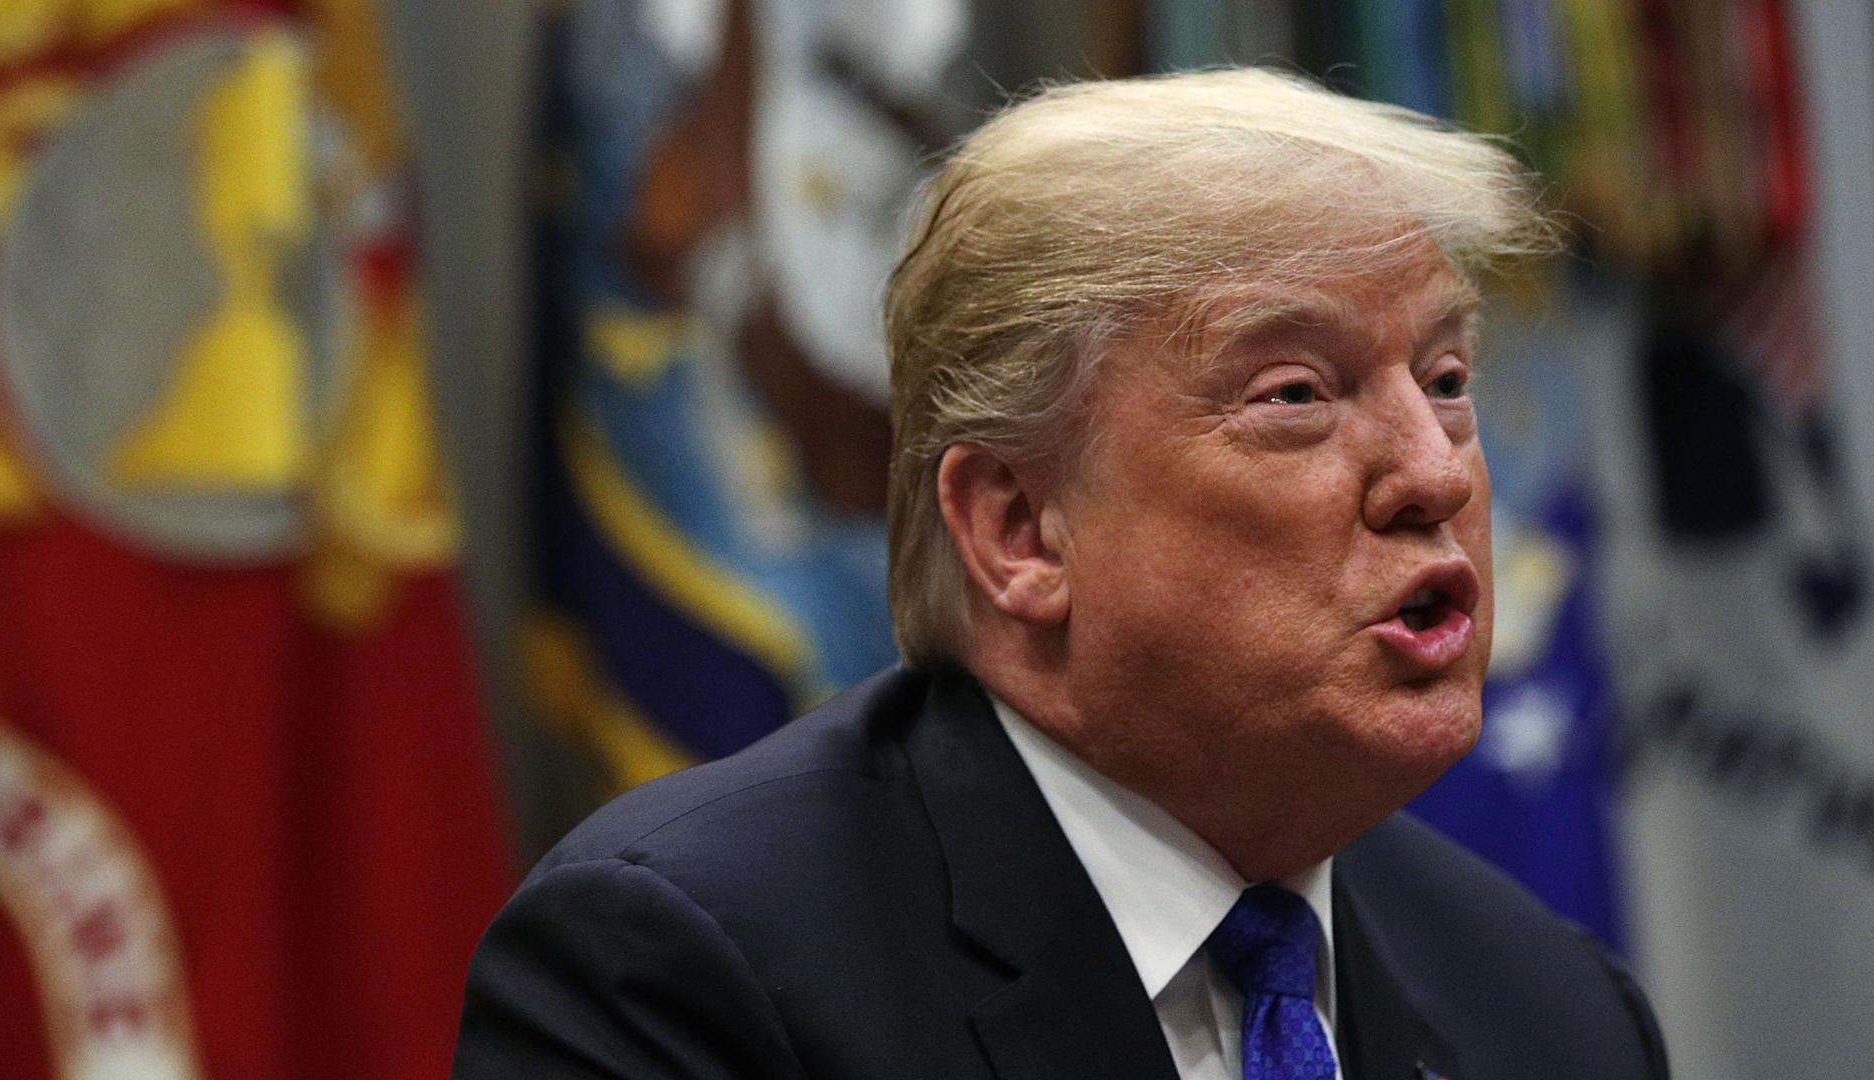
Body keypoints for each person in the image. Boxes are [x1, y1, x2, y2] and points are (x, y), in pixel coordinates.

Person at [453, 68, 1670, 1080]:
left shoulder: (1555, 1013)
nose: (1436, 472)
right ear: (1021, 530)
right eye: (1297, 394)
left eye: (1447, 381)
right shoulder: (683, 977)